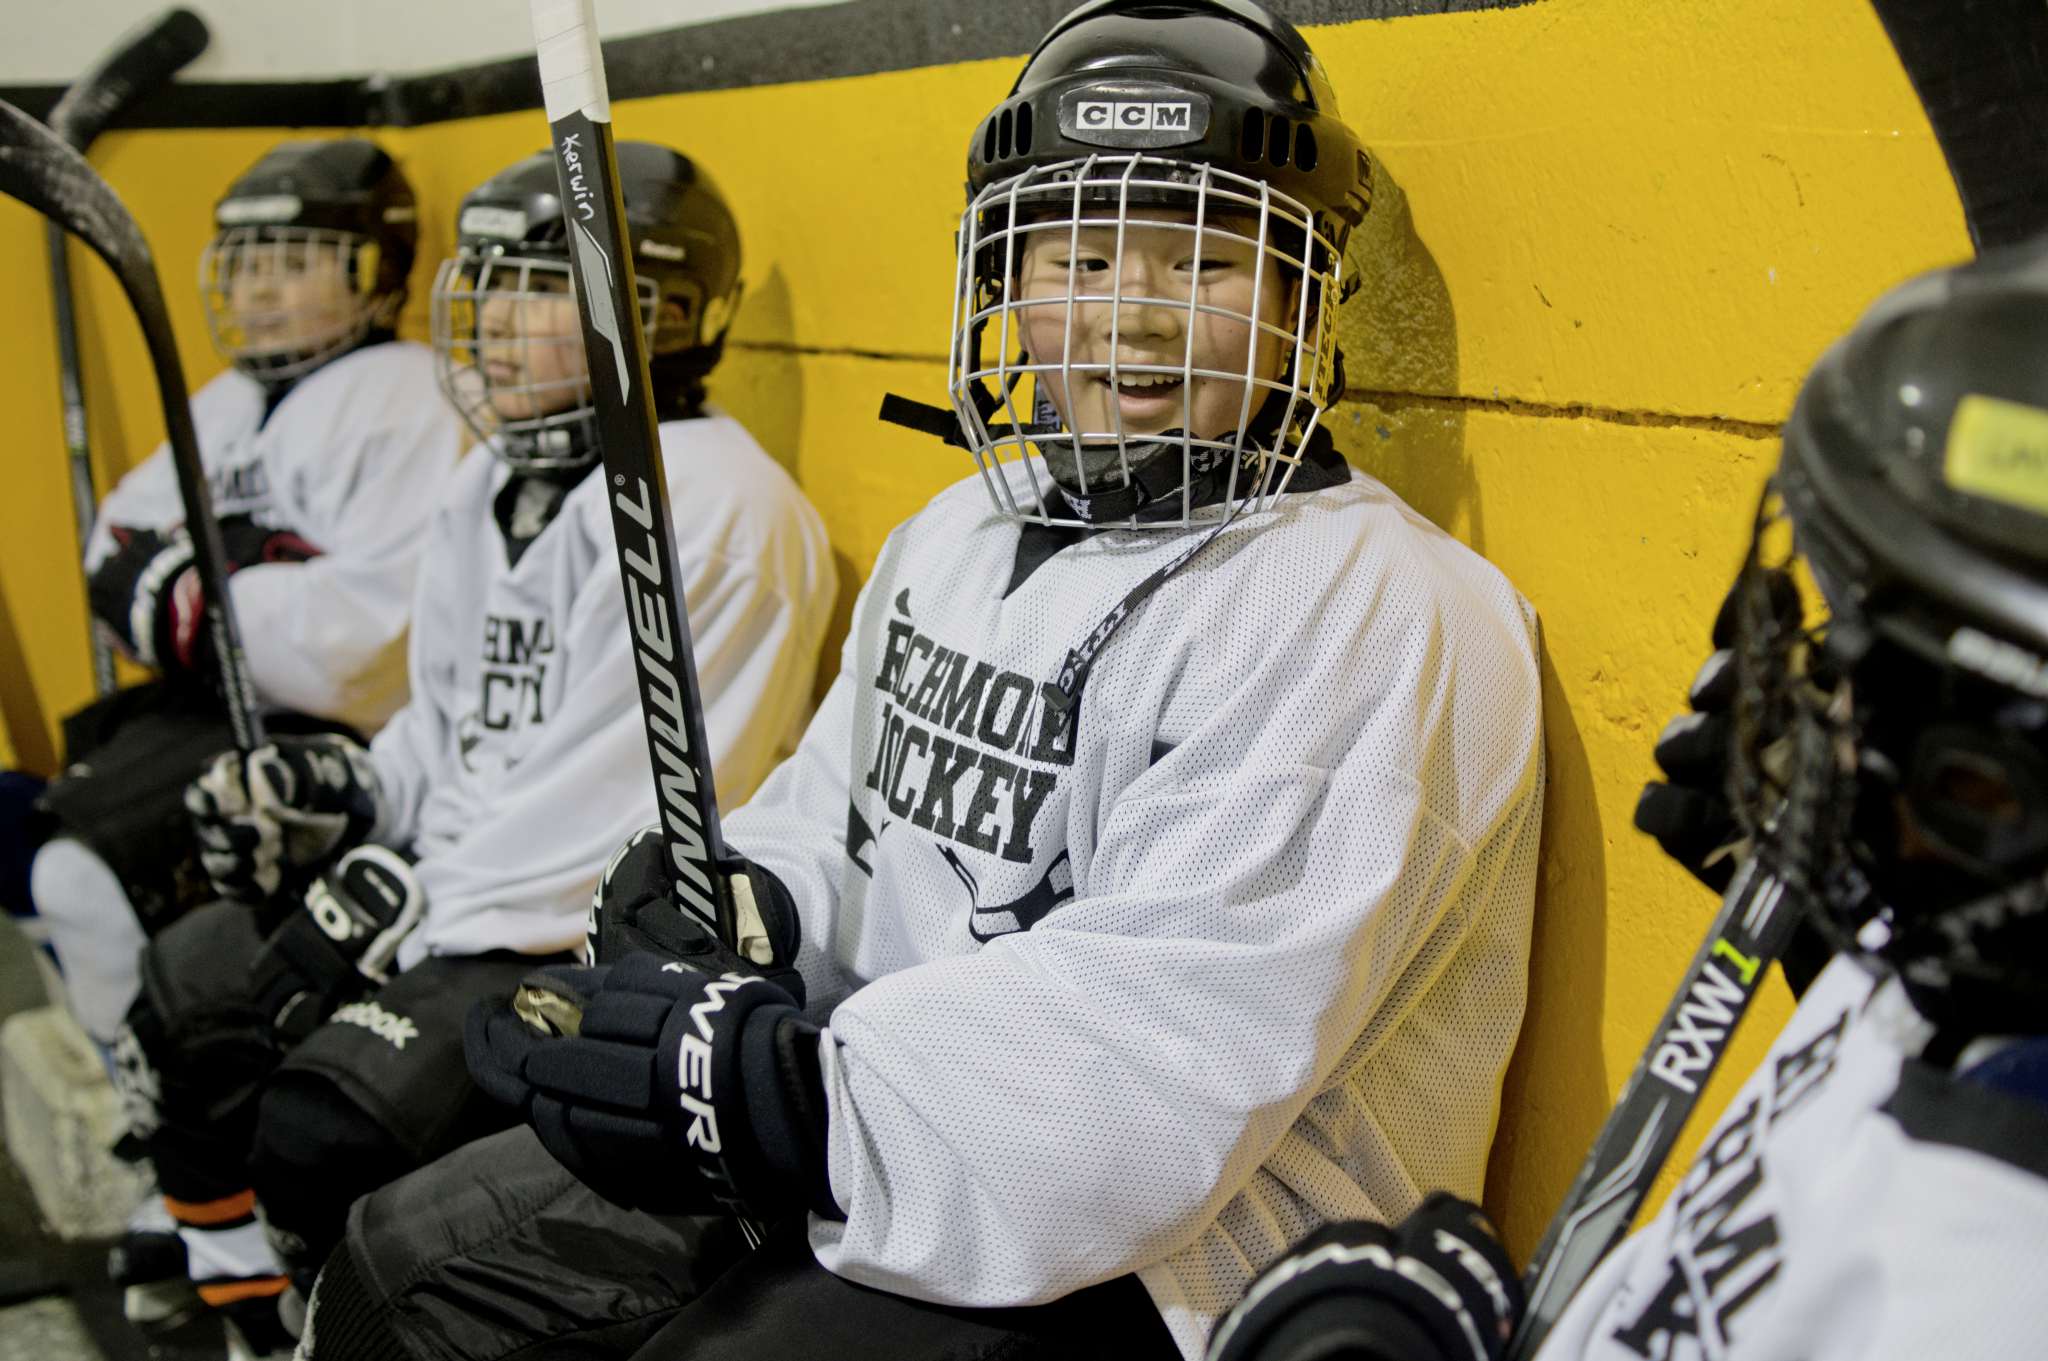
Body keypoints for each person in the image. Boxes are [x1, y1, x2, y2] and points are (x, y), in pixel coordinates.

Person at [299, 4, 1545, 1360]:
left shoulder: (1375, 615)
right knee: (399, 1272)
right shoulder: (953, 537)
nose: (1133, 316)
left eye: (1205, 260)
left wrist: (779, 1093)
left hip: (1191, 1263)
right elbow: (845, 820)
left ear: (1305, 295)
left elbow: (1161, 1062)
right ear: (1001, 281)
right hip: (884, 1124)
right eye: (1076, 255)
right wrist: (755, 896)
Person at [1205, 240, 2048, 1361]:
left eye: (1890, 697)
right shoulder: (1967, 973)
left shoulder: (1988, 1284)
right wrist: (1857, 974)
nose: (1827, 719)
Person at [111, 142, 835, 1357]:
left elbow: (598, 823)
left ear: (649, 309)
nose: (494, 324)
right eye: (486, 285)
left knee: (328, 1126)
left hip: (559, 930)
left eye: (537, 287)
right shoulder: (492, 485)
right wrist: (353, 791)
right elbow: (448, 736)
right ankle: (245, 1310)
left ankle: (313, 1312)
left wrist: (397, 911)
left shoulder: (708, 508)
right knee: (192, 982)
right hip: (461, 892)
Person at [4, 138, 461, 1055]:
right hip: (208, 705)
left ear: (375, 273)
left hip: (326, 741)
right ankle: (130, 1063)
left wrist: (194, 588)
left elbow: (364, 648)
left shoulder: (411, 399)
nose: (257, 291)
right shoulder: (229, 399)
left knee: (75, 877)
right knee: (17, 821)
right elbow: (114, 559)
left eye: (291, 265)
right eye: (247, 264)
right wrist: (245, 581)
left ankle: (150, 1118)